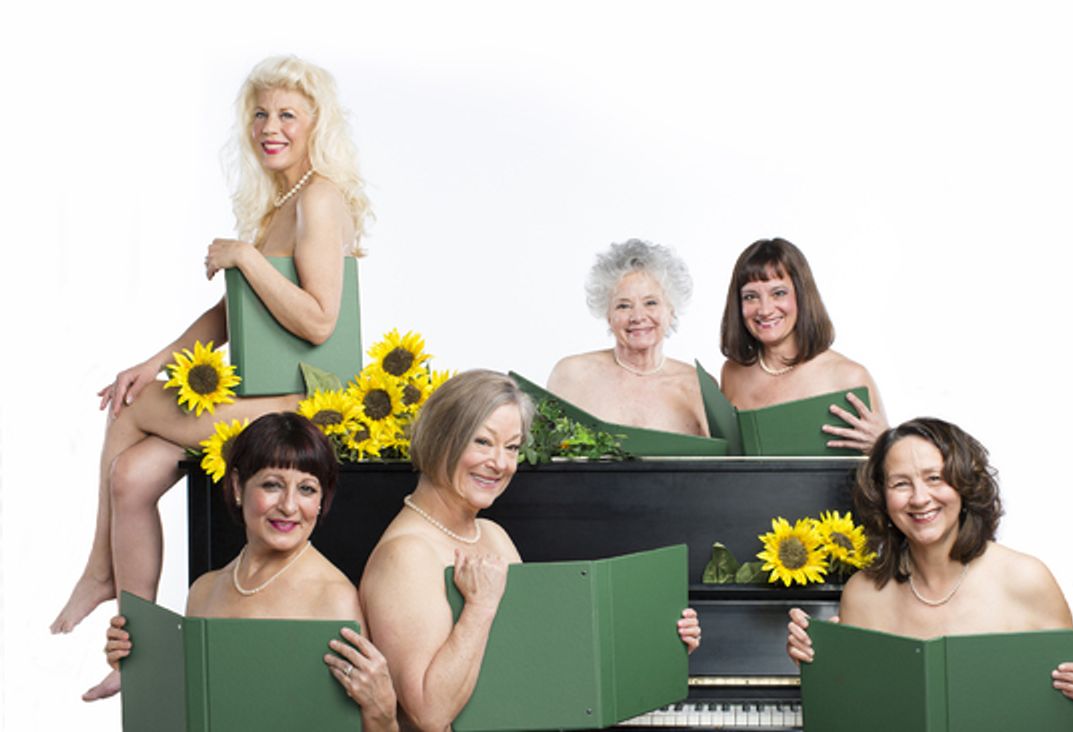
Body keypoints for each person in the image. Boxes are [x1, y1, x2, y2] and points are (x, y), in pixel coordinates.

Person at [53, 54, 371, 659]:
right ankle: (135, 643)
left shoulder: (320, 198)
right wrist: (158, 360)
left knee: (132, 408)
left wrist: (244, 258)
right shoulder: (282, 203)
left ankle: (100, 567)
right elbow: (239, 314)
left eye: (287, 115)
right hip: (269, 391)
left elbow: (318, 317)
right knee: (132, 473)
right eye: (259, 114)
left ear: (316, 124)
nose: (269, 127)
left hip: (309, 397)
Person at [359, 371, 701, 731]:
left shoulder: (492, 535)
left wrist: (662, 644)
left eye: (511, 447)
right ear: (440, 440)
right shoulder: (406, 555)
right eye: (482, 442)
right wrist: (479, 607)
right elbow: (429, 713)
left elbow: (536, 663)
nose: (500, 463)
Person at [786, 417, 1073, 722]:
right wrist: (822, 669)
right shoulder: (862, 593)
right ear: (882, 498)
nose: (919, 498)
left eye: (935, 478)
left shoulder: (1027, 579)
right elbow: (856, 715)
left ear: (963, 485)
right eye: (901, 484)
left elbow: (1068, 713)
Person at [97, 413, 398, 730]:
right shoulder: (204, 590)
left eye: (307, 489)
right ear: (238, 486)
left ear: (323, 499)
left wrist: (384, 713)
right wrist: (138, 666)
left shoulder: (335, 599)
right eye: (272, 485)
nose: (289, 506)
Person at [719, 238, 886, 453]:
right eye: (751, 297)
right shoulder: (732, 374)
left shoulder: (849, 377)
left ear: (802, 295)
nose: (765, 309)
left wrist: (882, 446)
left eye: (778, 293)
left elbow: (890, 471)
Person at [547, 239, 709, 436]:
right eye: (623, 305)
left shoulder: (699, 387)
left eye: (651, 303)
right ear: (608, 315)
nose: (638, 317)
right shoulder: (572, 375)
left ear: (671, 310)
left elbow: (722, 463)